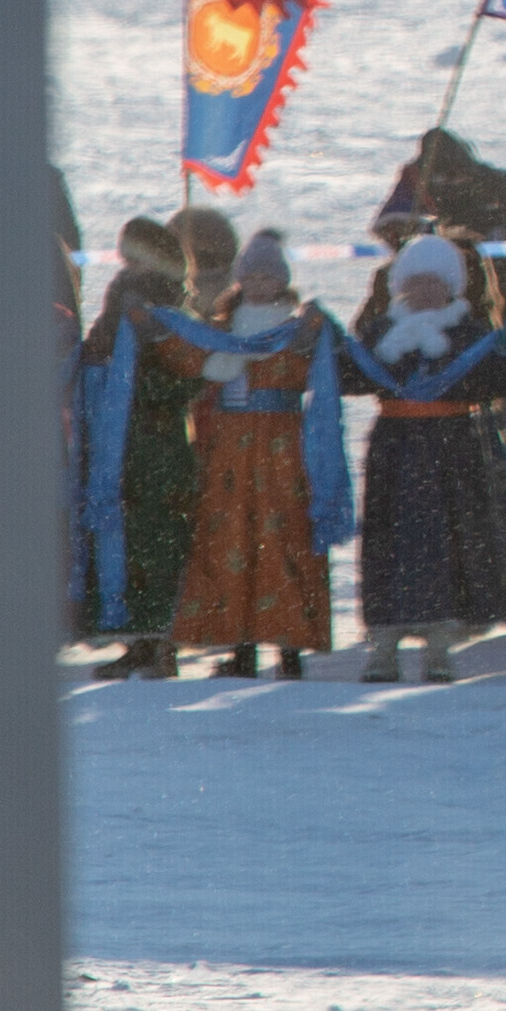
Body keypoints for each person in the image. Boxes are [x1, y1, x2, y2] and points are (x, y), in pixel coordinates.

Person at [342, 236, 506, 685]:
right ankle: (384, 645)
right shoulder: (382, 331)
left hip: (452, 446)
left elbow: (493, 380)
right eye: (416, 282)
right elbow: (351, 377)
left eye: (435, 282)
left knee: (450, 538)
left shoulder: (469, 333)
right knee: (388, 539)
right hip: (396, 445)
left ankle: (441, 644)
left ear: (452, 286)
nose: (425, 291)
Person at [165, 231, 335, 680]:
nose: (260, 285)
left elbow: (311, 372)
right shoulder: (222, 330)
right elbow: (192, 363)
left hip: (281, 445)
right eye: (252, 276)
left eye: (268, 276)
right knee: (233, 538)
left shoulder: (296, 328)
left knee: (284, 537)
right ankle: (241, 647)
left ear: (282, 281)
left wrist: (310, 337)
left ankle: (290, 647)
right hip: (232, 448)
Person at [77, 218, 199, 679]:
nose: (130, 264)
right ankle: (138, 638)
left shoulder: (171, 310)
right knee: (125, 538)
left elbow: (186, 375)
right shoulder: (119, 301)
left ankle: (161, 640)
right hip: (119, 441)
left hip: (158, 442)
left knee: (159, 540)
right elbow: (96, 350)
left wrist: (137, 385)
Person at [369, 123, 506, 318]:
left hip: (499, 275)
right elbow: (391, 224)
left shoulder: (499, 186)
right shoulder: (417, 178)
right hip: (441, 277)